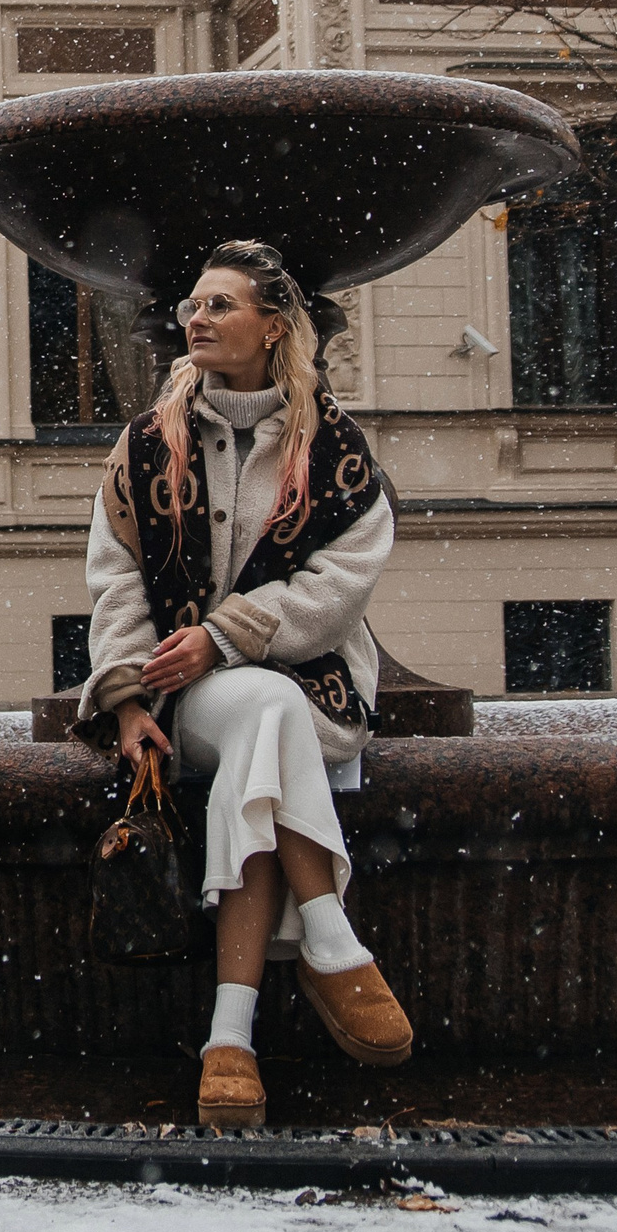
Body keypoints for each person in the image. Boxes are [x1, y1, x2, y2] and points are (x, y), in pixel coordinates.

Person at [75, 239, 411, 1130]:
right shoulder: (149, 442)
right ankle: (331, 939)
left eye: (220, 304)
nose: (197, 316)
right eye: (192, 302)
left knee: (268, 718)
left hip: (305, 683)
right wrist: (129, 698)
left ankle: (231, 1037)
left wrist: (227, 636)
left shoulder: (331, 442)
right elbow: (115, 573)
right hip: (181, 701)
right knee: (264, 713)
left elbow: (345, 580)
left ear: (274, 326)